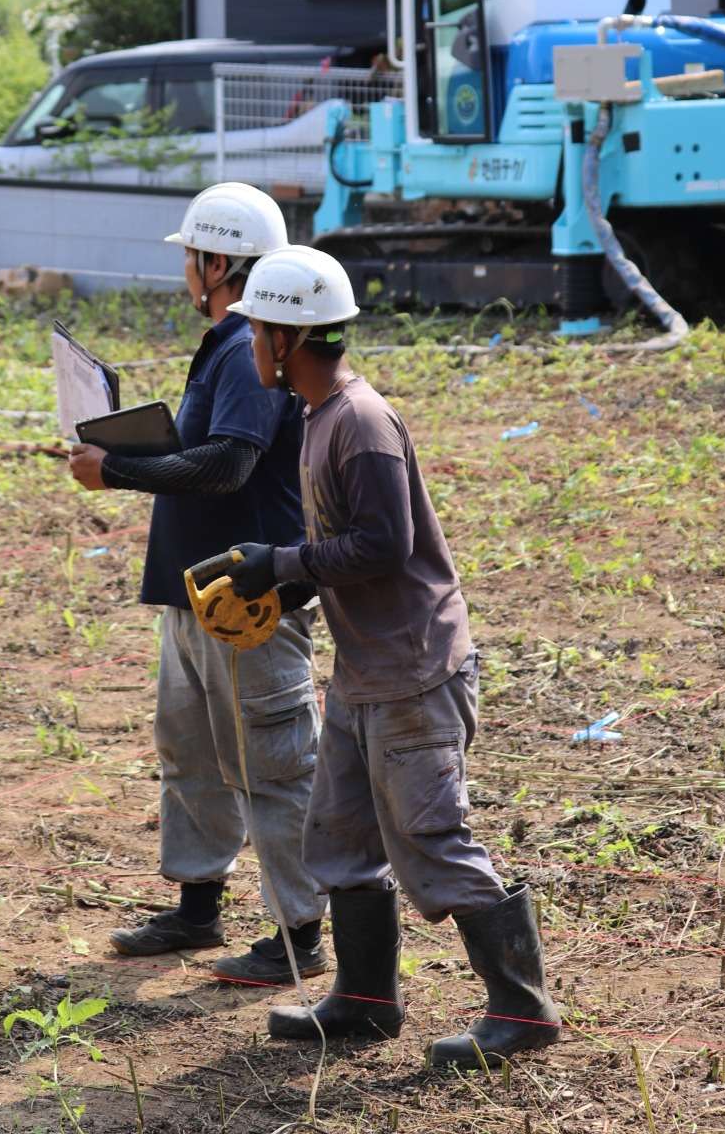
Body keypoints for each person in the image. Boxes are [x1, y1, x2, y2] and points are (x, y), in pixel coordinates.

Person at [223, 245, 560, 1068]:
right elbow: (347, 546)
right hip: (366, 671)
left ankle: (524, 1010)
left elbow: (384, 544)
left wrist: (285, 563)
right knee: (338, 837)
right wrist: (285, 584)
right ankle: (367, 1001)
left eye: (259, 330)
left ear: (284, 337)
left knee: (432, 838)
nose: (253, 344)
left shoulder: (361, 423)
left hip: (412, 672)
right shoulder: (318, 417)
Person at [67, 183, 326, 984]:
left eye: (191, 255)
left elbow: (228, 462)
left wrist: (117, 469)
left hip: (247, 599)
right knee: (194, 753)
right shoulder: (226, 343)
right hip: (197, 591)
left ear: (218, 262)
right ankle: (198, 909)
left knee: (272, 763)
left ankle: (301, 936)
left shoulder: (250, 347)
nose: (185, 269)